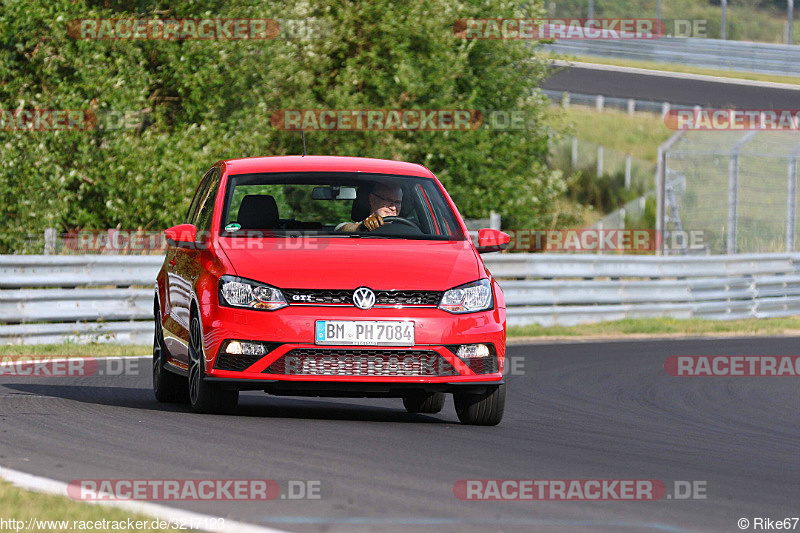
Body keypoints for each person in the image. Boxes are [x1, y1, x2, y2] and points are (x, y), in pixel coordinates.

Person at [337, 183, 403, 232]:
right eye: (388, 201)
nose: (393, 208)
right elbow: (342, 229)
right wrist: (363, 227)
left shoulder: (408, 231)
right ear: (372, 199)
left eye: (397, 202)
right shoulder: (358, 227)